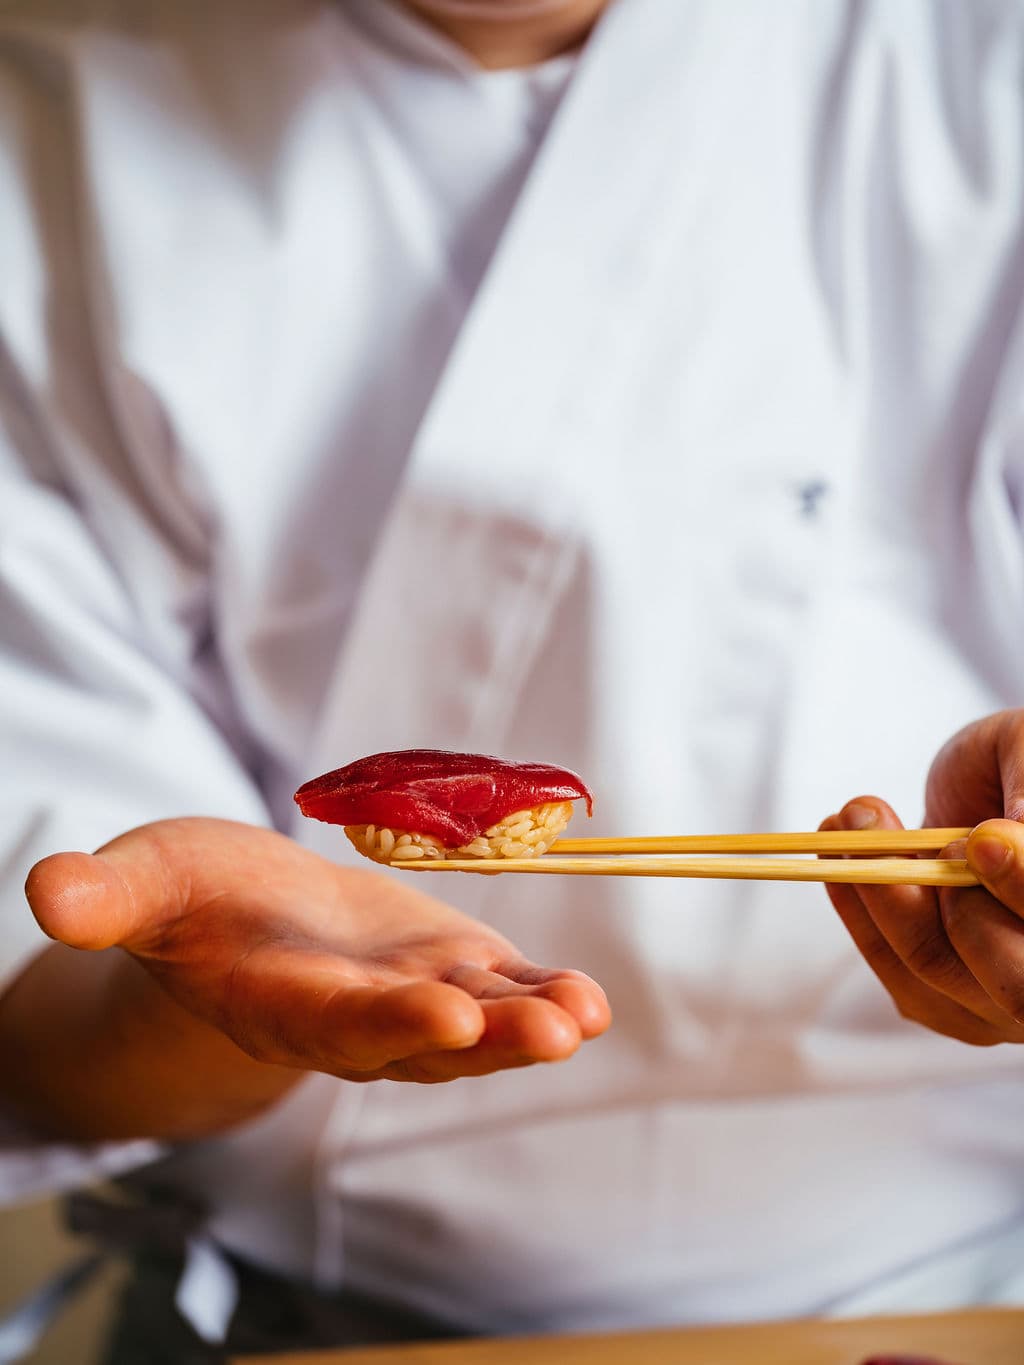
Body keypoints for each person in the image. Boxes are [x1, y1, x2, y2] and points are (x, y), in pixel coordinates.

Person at [2, 0, 1024, 1357]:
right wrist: (197, 992)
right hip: (288, 1322)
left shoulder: (981, 74)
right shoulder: (47, 132)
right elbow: (44, 1017)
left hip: (939, 1303)